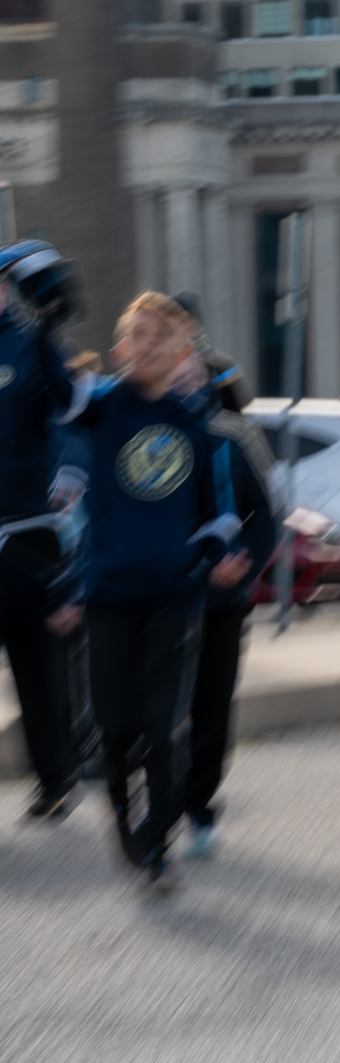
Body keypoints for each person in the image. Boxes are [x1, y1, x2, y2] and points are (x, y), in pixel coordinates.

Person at [49, 293, 247, 889]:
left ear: (184, 351)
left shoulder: (198, 426)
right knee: (113, 729)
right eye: (139, 334)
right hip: (108, 593)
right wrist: (41, 317)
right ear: (121, 349)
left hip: (174, 596)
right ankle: (126, 816)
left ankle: (158, 844)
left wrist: (220, 554)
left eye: (163, 336)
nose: (150, 344)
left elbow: (219, 515)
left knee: (164, 725)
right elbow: (54, 388)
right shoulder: (102, 407)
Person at [167, 298, 280, 860]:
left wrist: (244, 562)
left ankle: (200, 805)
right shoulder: (148, 439)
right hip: (161, 599)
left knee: (210, 706)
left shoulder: (231, 437)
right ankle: (163, 798)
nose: (183, 384)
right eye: (174, 377)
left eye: (191, 376)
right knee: (163, 707)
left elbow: (267, 517)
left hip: (221, 600)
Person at [0, 246, 90, 823]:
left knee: (38, 670)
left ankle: (56, 781)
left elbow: (77, 414)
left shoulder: (32, 343)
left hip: (26, 534)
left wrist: (73, 471)